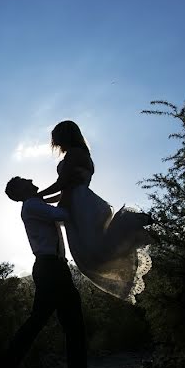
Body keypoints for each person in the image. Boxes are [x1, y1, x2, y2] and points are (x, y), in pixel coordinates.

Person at [0, 176, 105, 368]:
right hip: (51, 270)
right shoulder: (32, 205)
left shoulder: (35, 204)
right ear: (19, 190)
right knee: (65, 326)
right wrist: (71, 191)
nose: (30, 179)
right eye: (24, 180)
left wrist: (68, 190)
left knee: (54, 325)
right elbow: (63, 215)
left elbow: (57, 203)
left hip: (54, 269)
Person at [38, 120, 153, 304]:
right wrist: (41, 199)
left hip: (81, 205)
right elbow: (65, 189)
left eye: (56, 137)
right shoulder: (80, 154)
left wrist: (35, 195)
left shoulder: (74, 154)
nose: (55, 142)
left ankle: (133, 224)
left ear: (64, 136)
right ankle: (133, 230)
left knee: (91, 253)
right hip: (79, 203)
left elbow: (62, 184)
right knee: (88, 255)